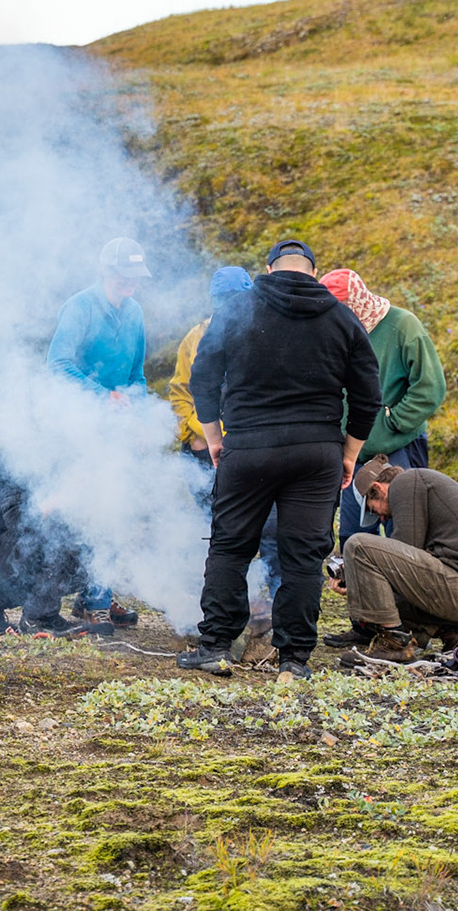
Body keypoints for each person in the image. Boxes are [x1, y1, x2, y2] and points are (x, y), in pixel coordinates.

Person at [178, 238, 382, 680]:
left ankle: (214, 646)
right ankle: (294, 659)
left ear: (269, 270)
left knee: (230, 546)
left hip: (248, 447)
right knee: (302, 556)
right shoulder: (339, 315)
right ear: (311, 271)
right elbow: (368, 393)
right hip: (316, 453)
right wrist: (349, 454)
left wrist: (215, 437)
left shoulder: (238, 308)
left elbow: (203, 376)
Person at [43, 237, 152, 634]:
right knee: (86, 509)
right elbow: (57, 364)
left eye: (136, 278)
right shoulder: (80, 307)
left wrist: (139, 417)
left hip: (116, 425)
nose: (131, 284)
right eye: (125, 277)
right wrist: (102, 397)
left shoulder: (136, 312)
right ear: (106, 272)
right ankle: (94, 598)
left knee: (115, 507)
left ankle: (97, 592)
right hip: (78, 423)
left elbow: (137, 375)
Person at [169, 265, 279, 657]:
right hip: (207, 452)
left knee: (265, 534)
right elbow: (181, 391)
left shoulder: (267, 333)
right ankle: (213, 623)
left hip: (252, 452)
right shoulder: (196, 338)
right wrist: (198, 434)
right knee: (217, 536)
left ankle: (265, 623)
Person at [325, 457, 458, 663]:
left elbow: (404, 557)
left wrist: (354, 574)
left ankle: (396, 644)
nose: (381, 519)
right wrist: (358, 582)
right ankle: (455, 633)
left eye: (373, 510)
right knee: (384, 598)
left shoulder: (406, 482)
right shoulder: (420, 486)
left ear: (378, 489)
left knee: (358, 545)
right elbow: (410, 568)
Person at [319, 269, 447, 545]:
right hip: (351, 454)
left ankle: (405, 588)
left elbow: (431, 387)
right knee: (354, 535)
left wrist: (392, 422)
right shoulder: (332, 332)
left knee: (405, 532)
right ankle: (357, 586)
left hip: (398, 448)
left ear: (354, 302)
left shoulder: (403, 326)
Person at [0, 456, 93, 638]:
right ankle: (38, 619)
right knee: (56, 539)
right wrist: (63, 495)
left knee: (88, 562)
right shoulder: (21, 454)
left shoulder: (48, 455)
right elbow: (19, 520)